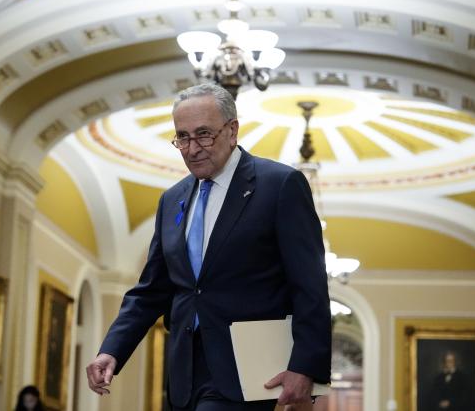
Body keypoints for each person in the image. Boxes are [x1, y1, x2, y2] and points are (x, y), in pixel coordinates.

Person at [86, 83, 331, 410]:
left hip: (249, 370)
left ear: (232, 131)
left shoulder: (279, 185)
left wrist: (305, 366)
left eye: (203, 134)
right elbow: (152, 290)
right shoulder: (171, 200)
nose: (192, 148)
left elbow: (309, 284)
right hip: (185, 372)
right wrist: (111, 350)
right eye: (182, 137)